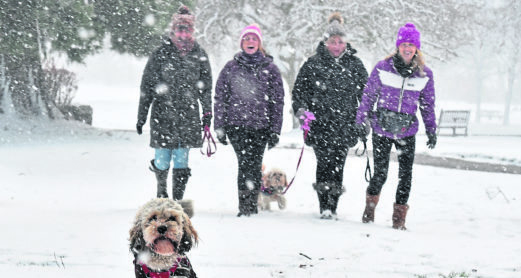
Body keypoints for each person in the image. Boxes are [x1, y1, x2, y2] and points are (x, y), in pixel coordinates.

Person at [356, 23, 437, 230]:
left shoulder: (424, 74)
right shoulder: (383, 68)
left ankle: (398, 220)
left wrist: (431, 129)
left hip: (406, 131)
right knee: (380, 174)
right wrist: (361, 120)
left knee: (405, 176)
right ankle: (369, 210)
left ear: (417, 48)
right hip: (382, 128)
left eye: (411, 44)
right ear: (398, 46)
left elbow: (428, 104)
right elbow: (368, 96)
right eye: (404, 44)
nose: (407, 48)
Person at [292, 13, 368, 219]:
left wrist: (365, 118)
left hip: (345, 124)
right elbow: (299, 92)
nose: (336, 45)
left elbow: (367, 95)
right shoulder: (313, 63)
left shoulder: (355, 65)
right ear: (326, 42)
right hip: (320, 125)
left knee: (338, 164)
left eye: (340, 42)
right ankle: (324, 206)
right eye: (332, 41)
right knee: (323, 163)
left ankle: (333, 206)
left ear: (346, 43)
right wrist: (302, 111)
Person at [136, 5, 212, 202]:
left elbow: (206, 88)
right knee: (161, 158)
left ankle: (178, 200)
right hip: (163, 114)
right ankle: (161, 193)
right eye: (180, 28)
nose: (183, 33)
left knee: (181, 159)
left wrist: (207, 114)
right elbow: (147, 86)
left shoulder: (199, 54)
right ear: (173, 30)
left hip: (188, 115)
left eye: (187, 29)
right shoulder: (161, 53)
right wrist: (141, 116)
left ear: (192, 31)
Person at [214, 24, 284, 217]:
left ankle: (251, 205)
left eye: (254, 38)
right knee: (245, 164)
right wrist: (219, 125)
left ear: (260, 43)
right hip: (236, 125)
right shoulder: (230, 67)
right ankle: (245, 207)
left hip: (261, 126)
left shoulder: (271, 69)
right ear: (241, 43)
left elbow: (278, 102)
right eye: (247, 38)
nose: (250, 42)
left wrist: (275, 129)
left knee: (254, 164)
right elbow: (220, 97)